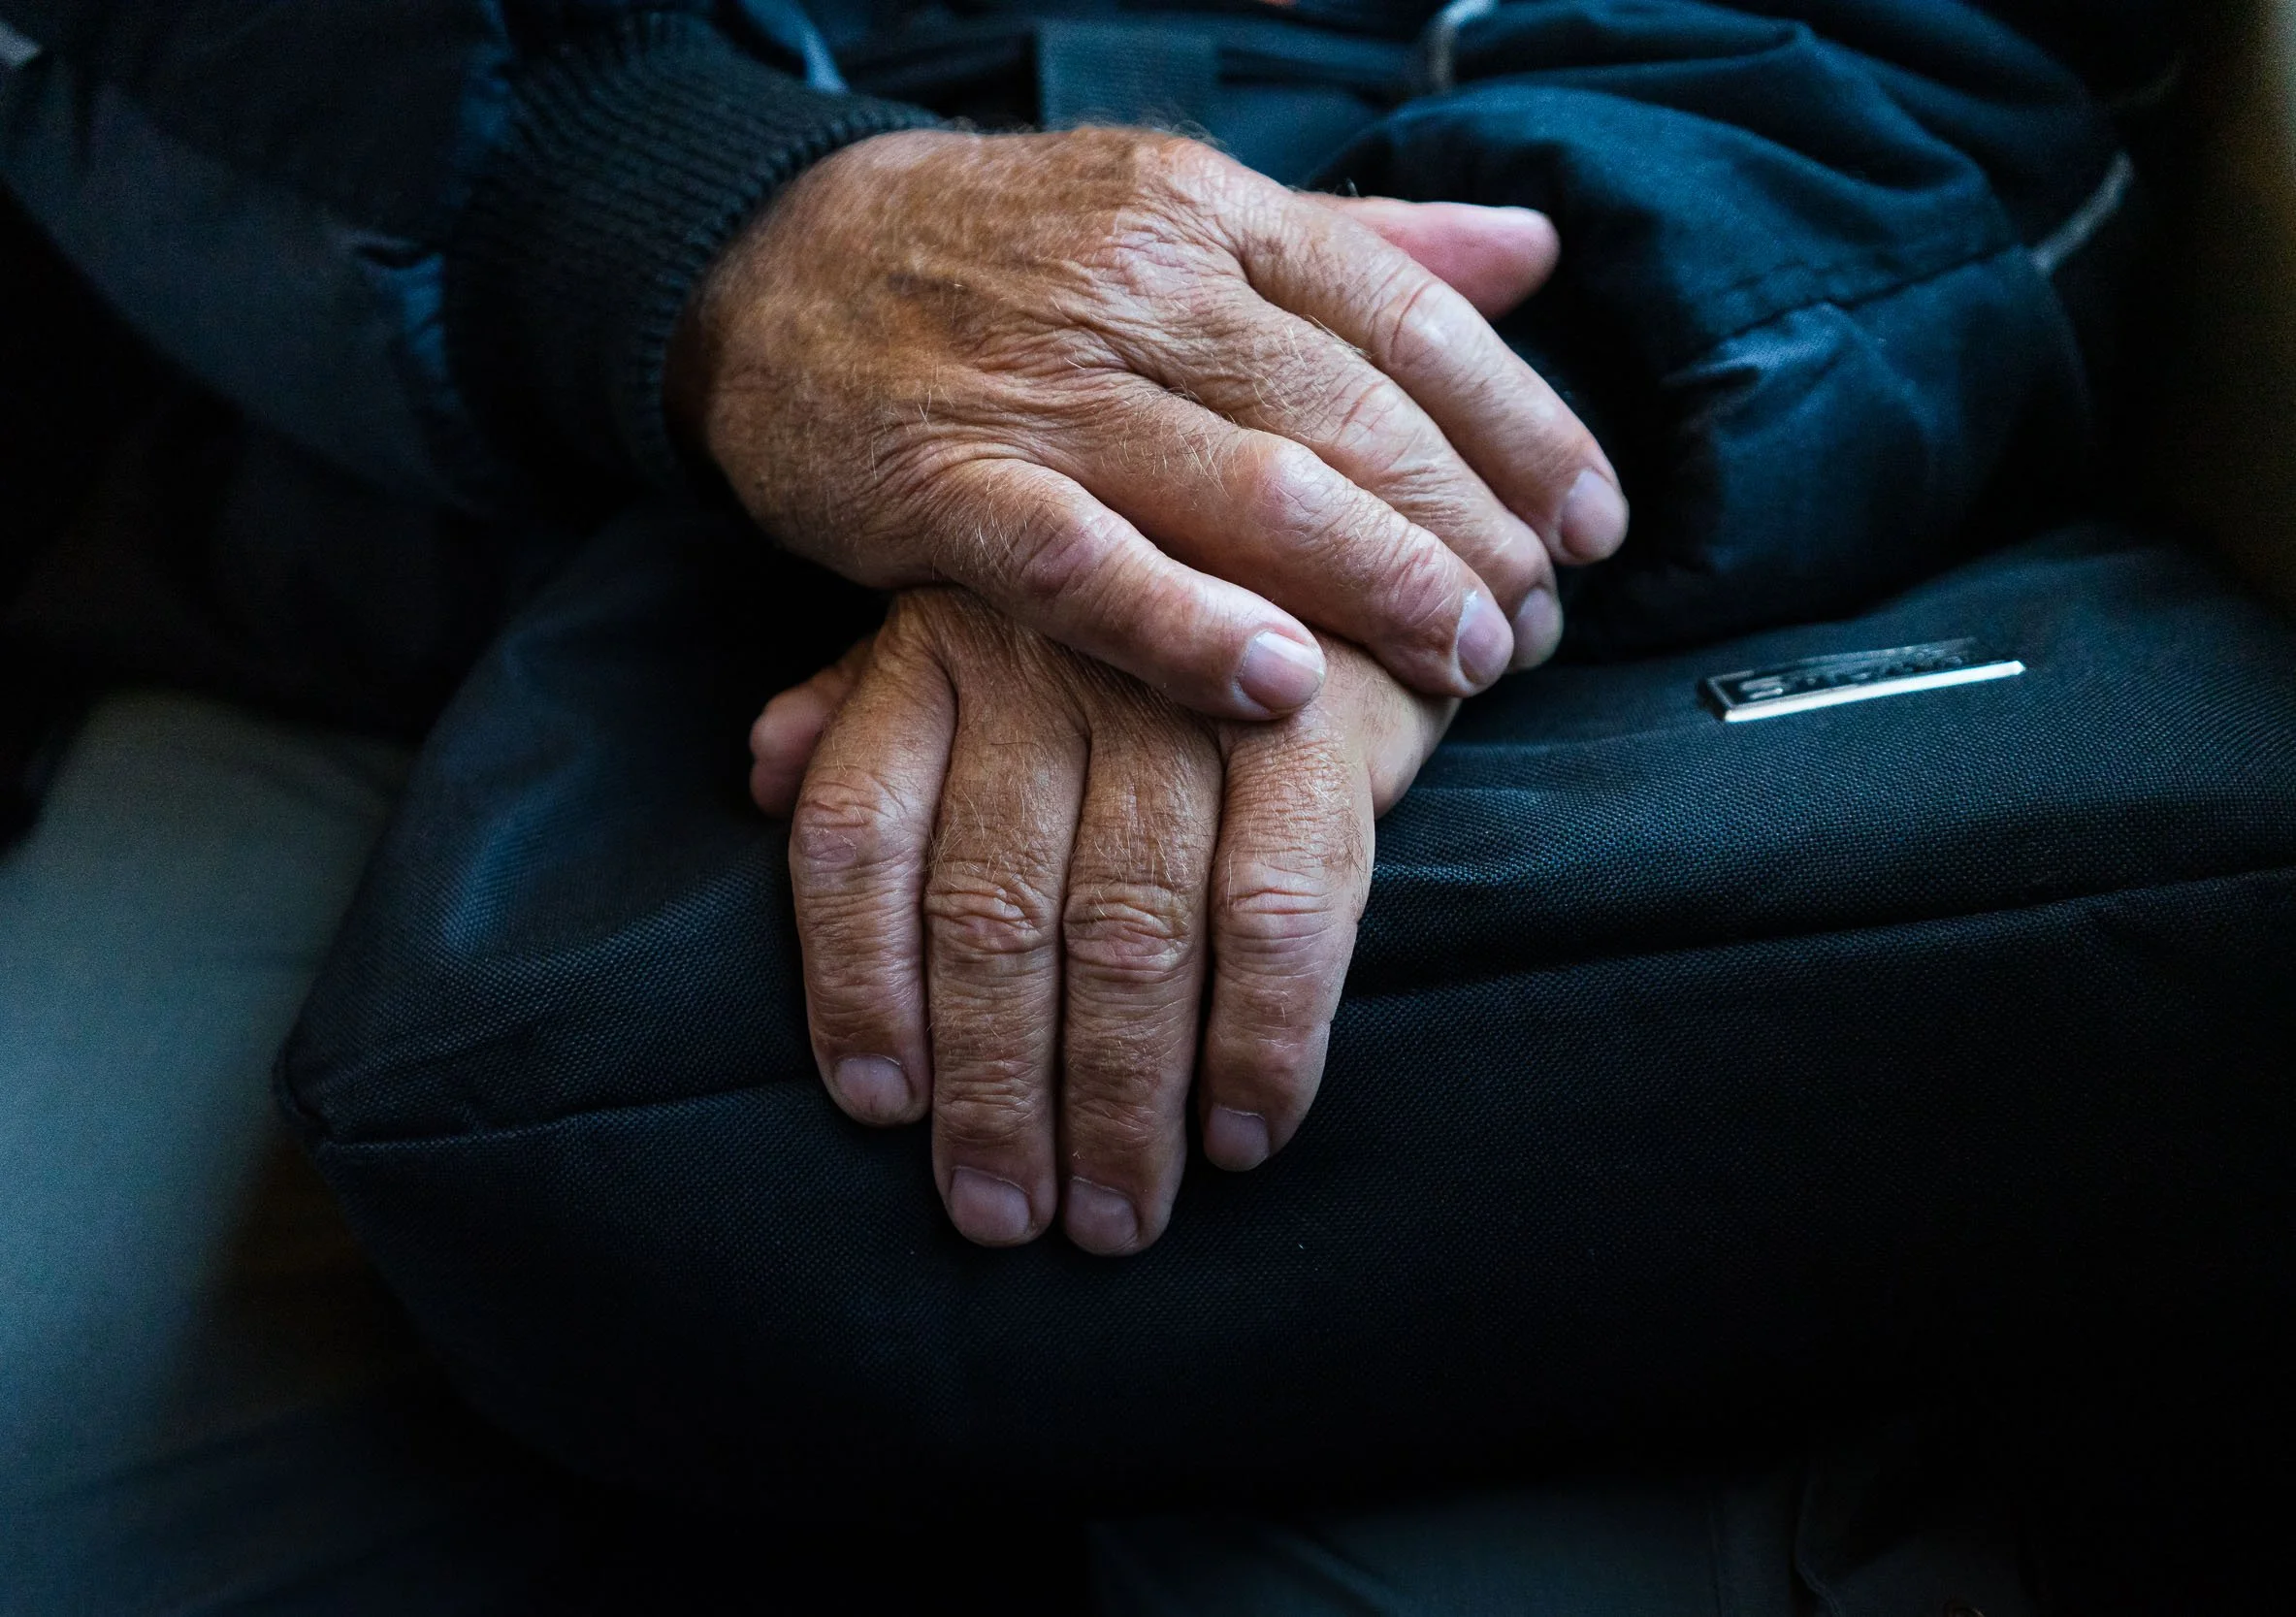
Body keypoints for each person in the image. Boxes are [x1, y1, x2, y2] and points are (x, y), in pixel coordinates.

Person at [1, 0, 2202, 1607]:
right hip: (396, 562)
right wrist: (689, 219)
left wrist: (1331, 463)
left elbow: (1956, 61)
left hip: (1583, 544)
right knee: (59, 1463)